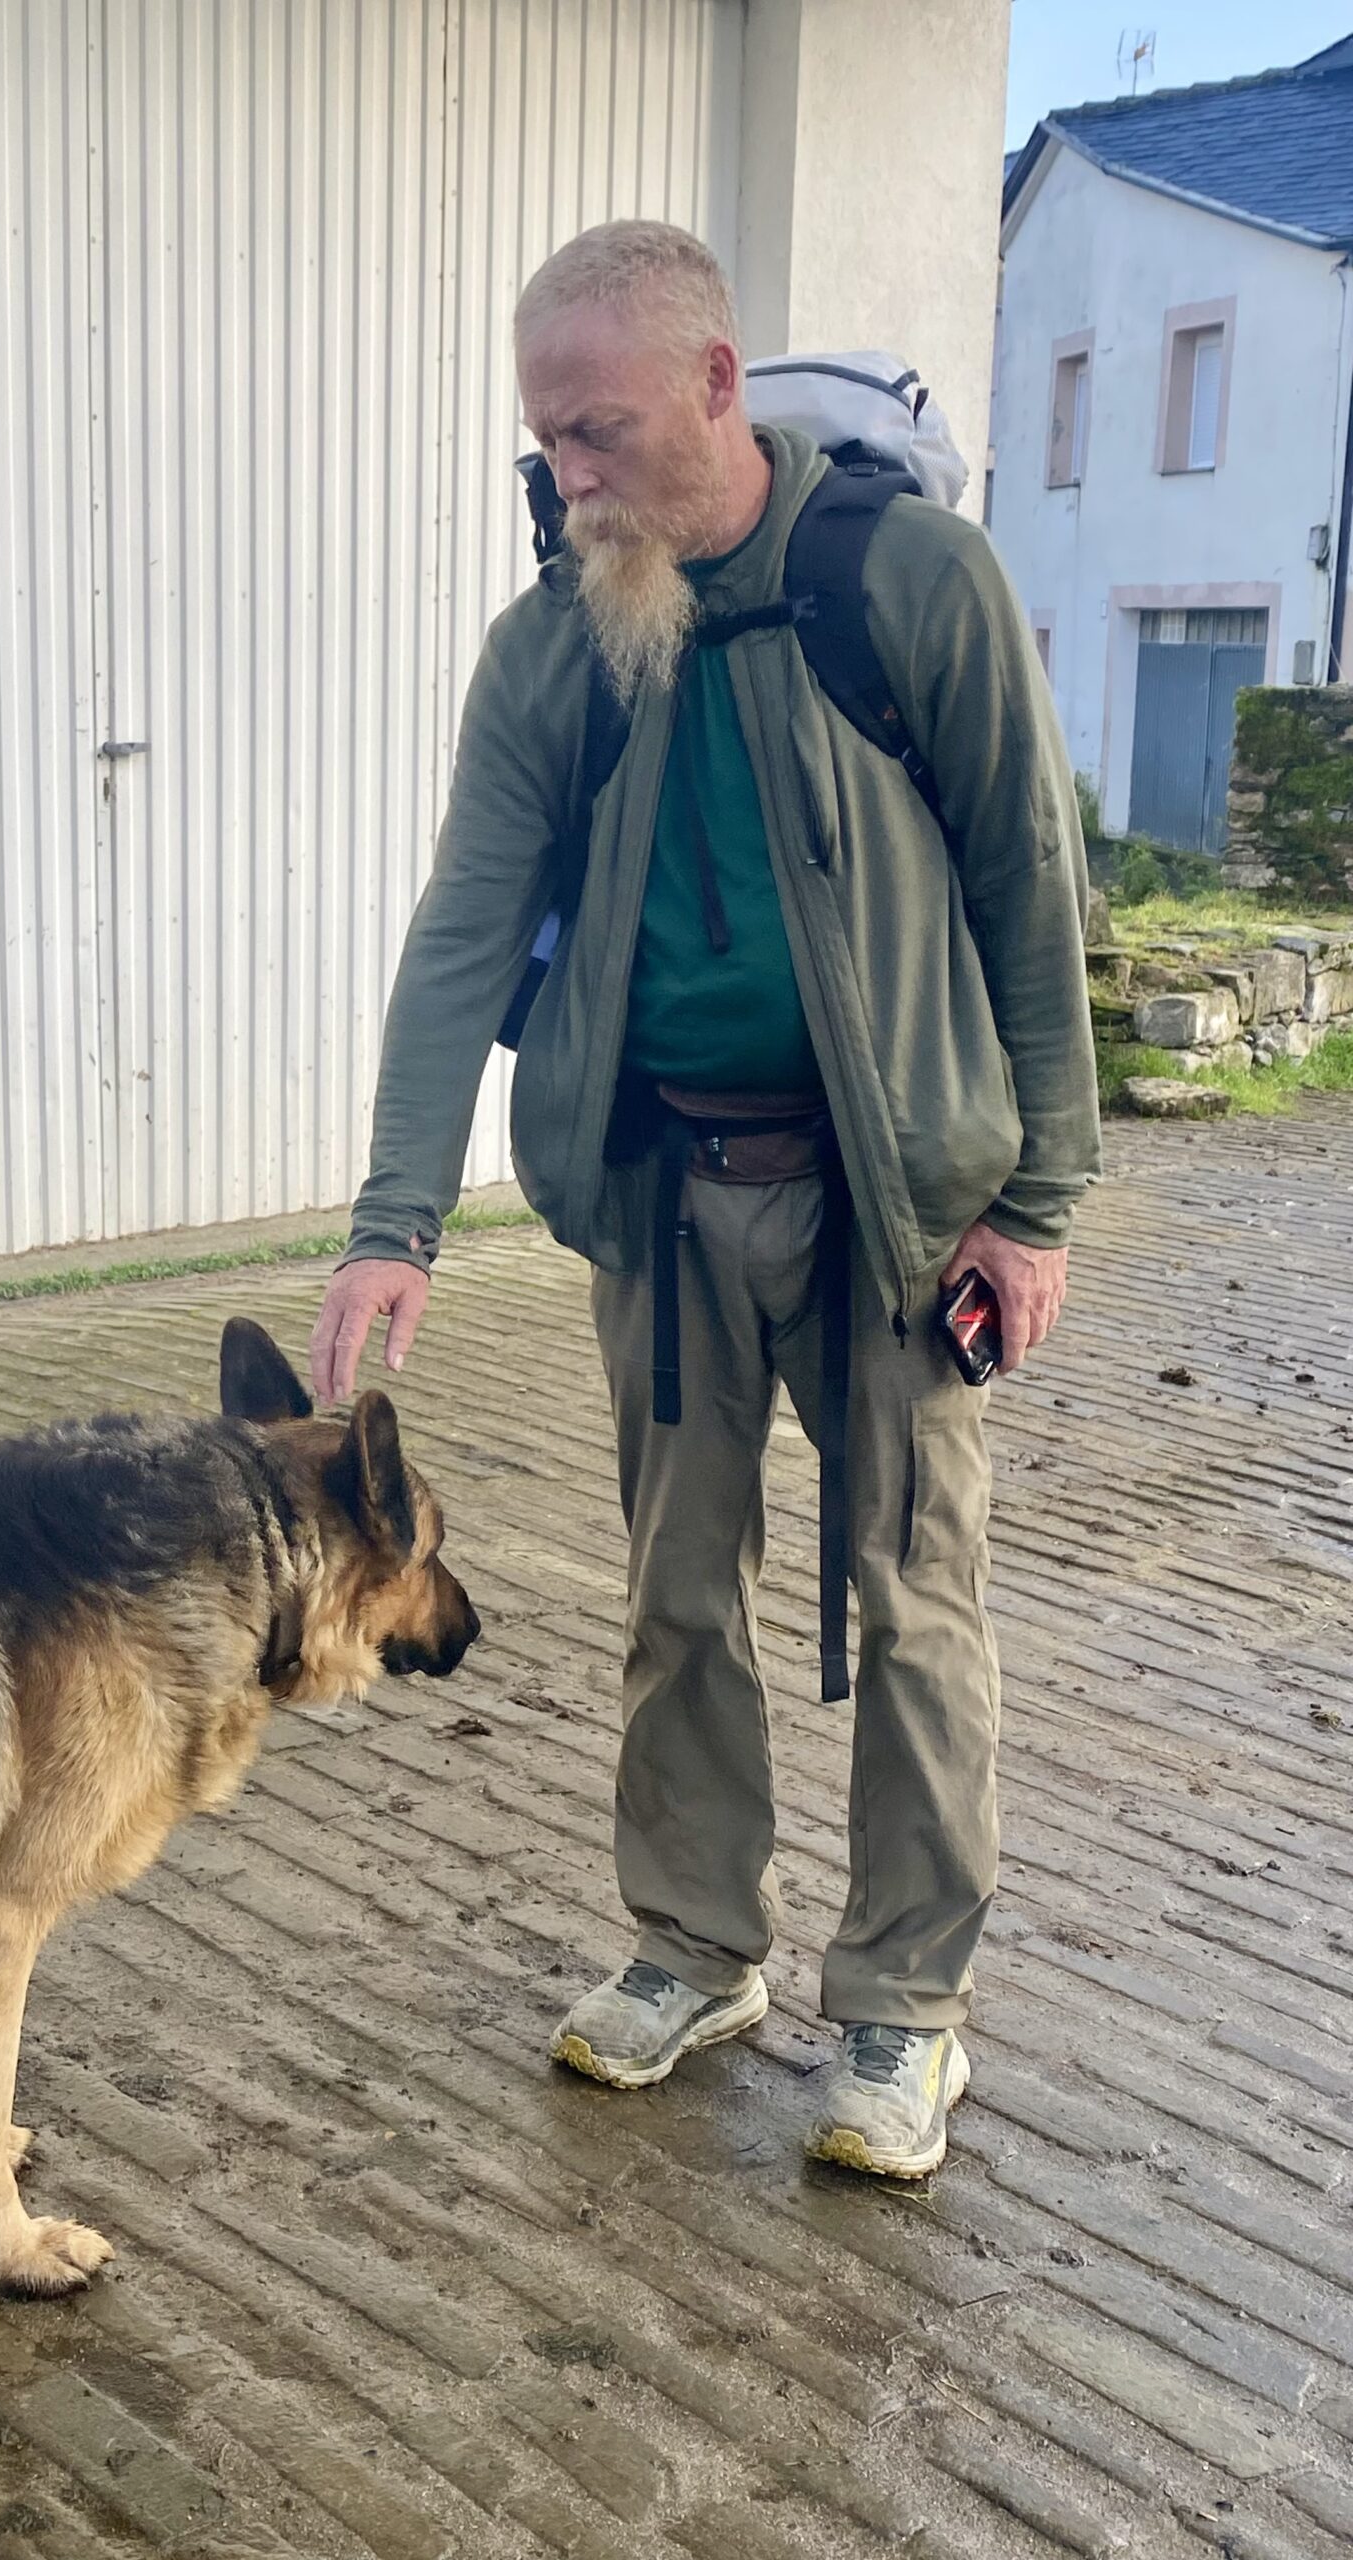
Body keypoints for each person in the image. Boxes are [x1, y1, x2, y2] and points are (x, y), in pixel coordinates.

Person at [309, 220, 1099, 2180]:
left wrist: (1040, 1202)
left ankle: (905, 2012)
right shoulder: (559, 643)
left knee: (918, 1602)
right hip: (669, 1190)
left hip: (898, 1205)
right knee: (676, 1597)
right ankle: (693, 1944)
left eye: (601, 432)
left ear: (718, 385)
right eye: (545, 440)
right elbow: (465, 926)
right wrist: (396, 1219)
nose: (568, 478)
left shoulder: (907, 584)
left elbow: (1030, 888)